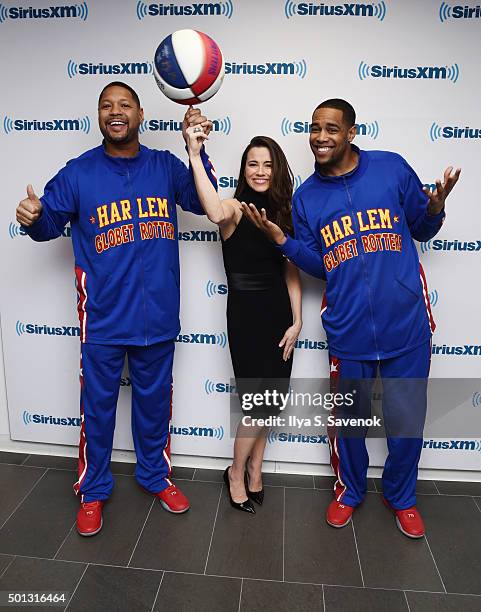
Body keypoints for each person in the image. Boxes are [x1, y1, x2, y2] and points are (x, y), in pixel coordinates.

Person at [241, 98, 460, 537]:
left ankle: (402, 497)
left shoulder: (391, 168)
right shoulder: (306, 198)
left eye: (331, 128)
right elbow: (320, 263)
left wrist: (434, 209)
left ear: (351, 132)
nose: (321, 137)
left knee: (406, 421)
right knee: (351, 425)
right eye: (315, 128)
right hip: (349, 327)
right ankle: (350, 491)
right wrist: (283, 239)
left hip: (406, 324)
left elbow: (422, 226)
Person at [15, 81, 217, 536]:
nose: (115, 111)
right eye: (107, 105)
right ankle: (92, 491)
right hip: (104, 317)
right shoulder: (79, 173)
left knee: (153, 407)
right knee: (98, 410)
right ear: (99, 117)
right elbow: (48, 222)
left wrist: (197, 150)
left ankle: (154, 476)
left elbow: (204, 202)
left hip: (159, 315)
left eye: (124, 104)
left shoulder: (166, 166)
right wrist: (32, 218)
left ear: (142, 113)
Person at [186, 127, 302, 513]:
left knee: (272, 401)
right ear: (244, 168)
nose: (259, 170)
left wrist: (297, 322)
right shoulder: (234, 208)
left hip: (279, 316)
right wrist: (194, 151)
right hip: (247, 317)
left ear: (277, 170)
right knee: (256, 404)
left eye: (267, 164)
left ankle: (256, 469)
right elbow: (213, 210)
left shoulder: (285, 213)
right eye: (252, 163)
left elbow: (291, 271)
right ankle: (235, 473)